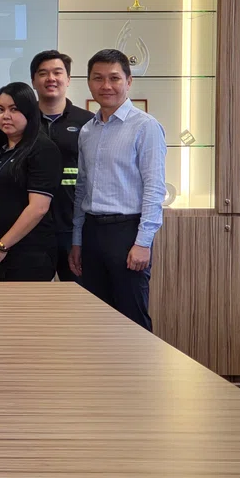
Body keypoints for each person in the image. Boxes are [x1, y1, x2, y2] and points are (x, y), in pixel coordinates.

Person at [69, 49, 166, 332]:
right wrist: (77, 240)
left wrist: (143, 242)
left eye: (114, 78)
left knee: (132, 316)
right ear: (88, 83)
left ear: (129, 81)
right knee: (97, 317)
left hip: (127, 233)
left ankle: (140, 377)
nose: (106, 86)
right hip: (92, 231)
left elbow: (154, 188)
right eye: (98, 78)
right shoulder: (88, 130)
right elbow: (81, 189)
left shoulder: (145, 127)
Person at [0, 82, 61, 282]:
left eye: (14, 109)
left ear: (29, 112)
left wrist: (2, 247)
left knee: (22, 312)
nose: (6, 116)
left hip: (27, 254)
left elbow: (38, 208)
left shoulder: (43, 149)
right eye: (0, 110)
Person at [29, 50, 91, 284]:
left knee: (79, 301)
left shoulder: (87, 122)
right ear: (33, 81)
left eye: (57, 72)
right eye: (43, 73)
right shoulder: (21, 121)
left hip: (73, 228)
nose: (50, 79)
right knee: (30, 302)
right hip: (31, 229)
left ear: (68, 79)